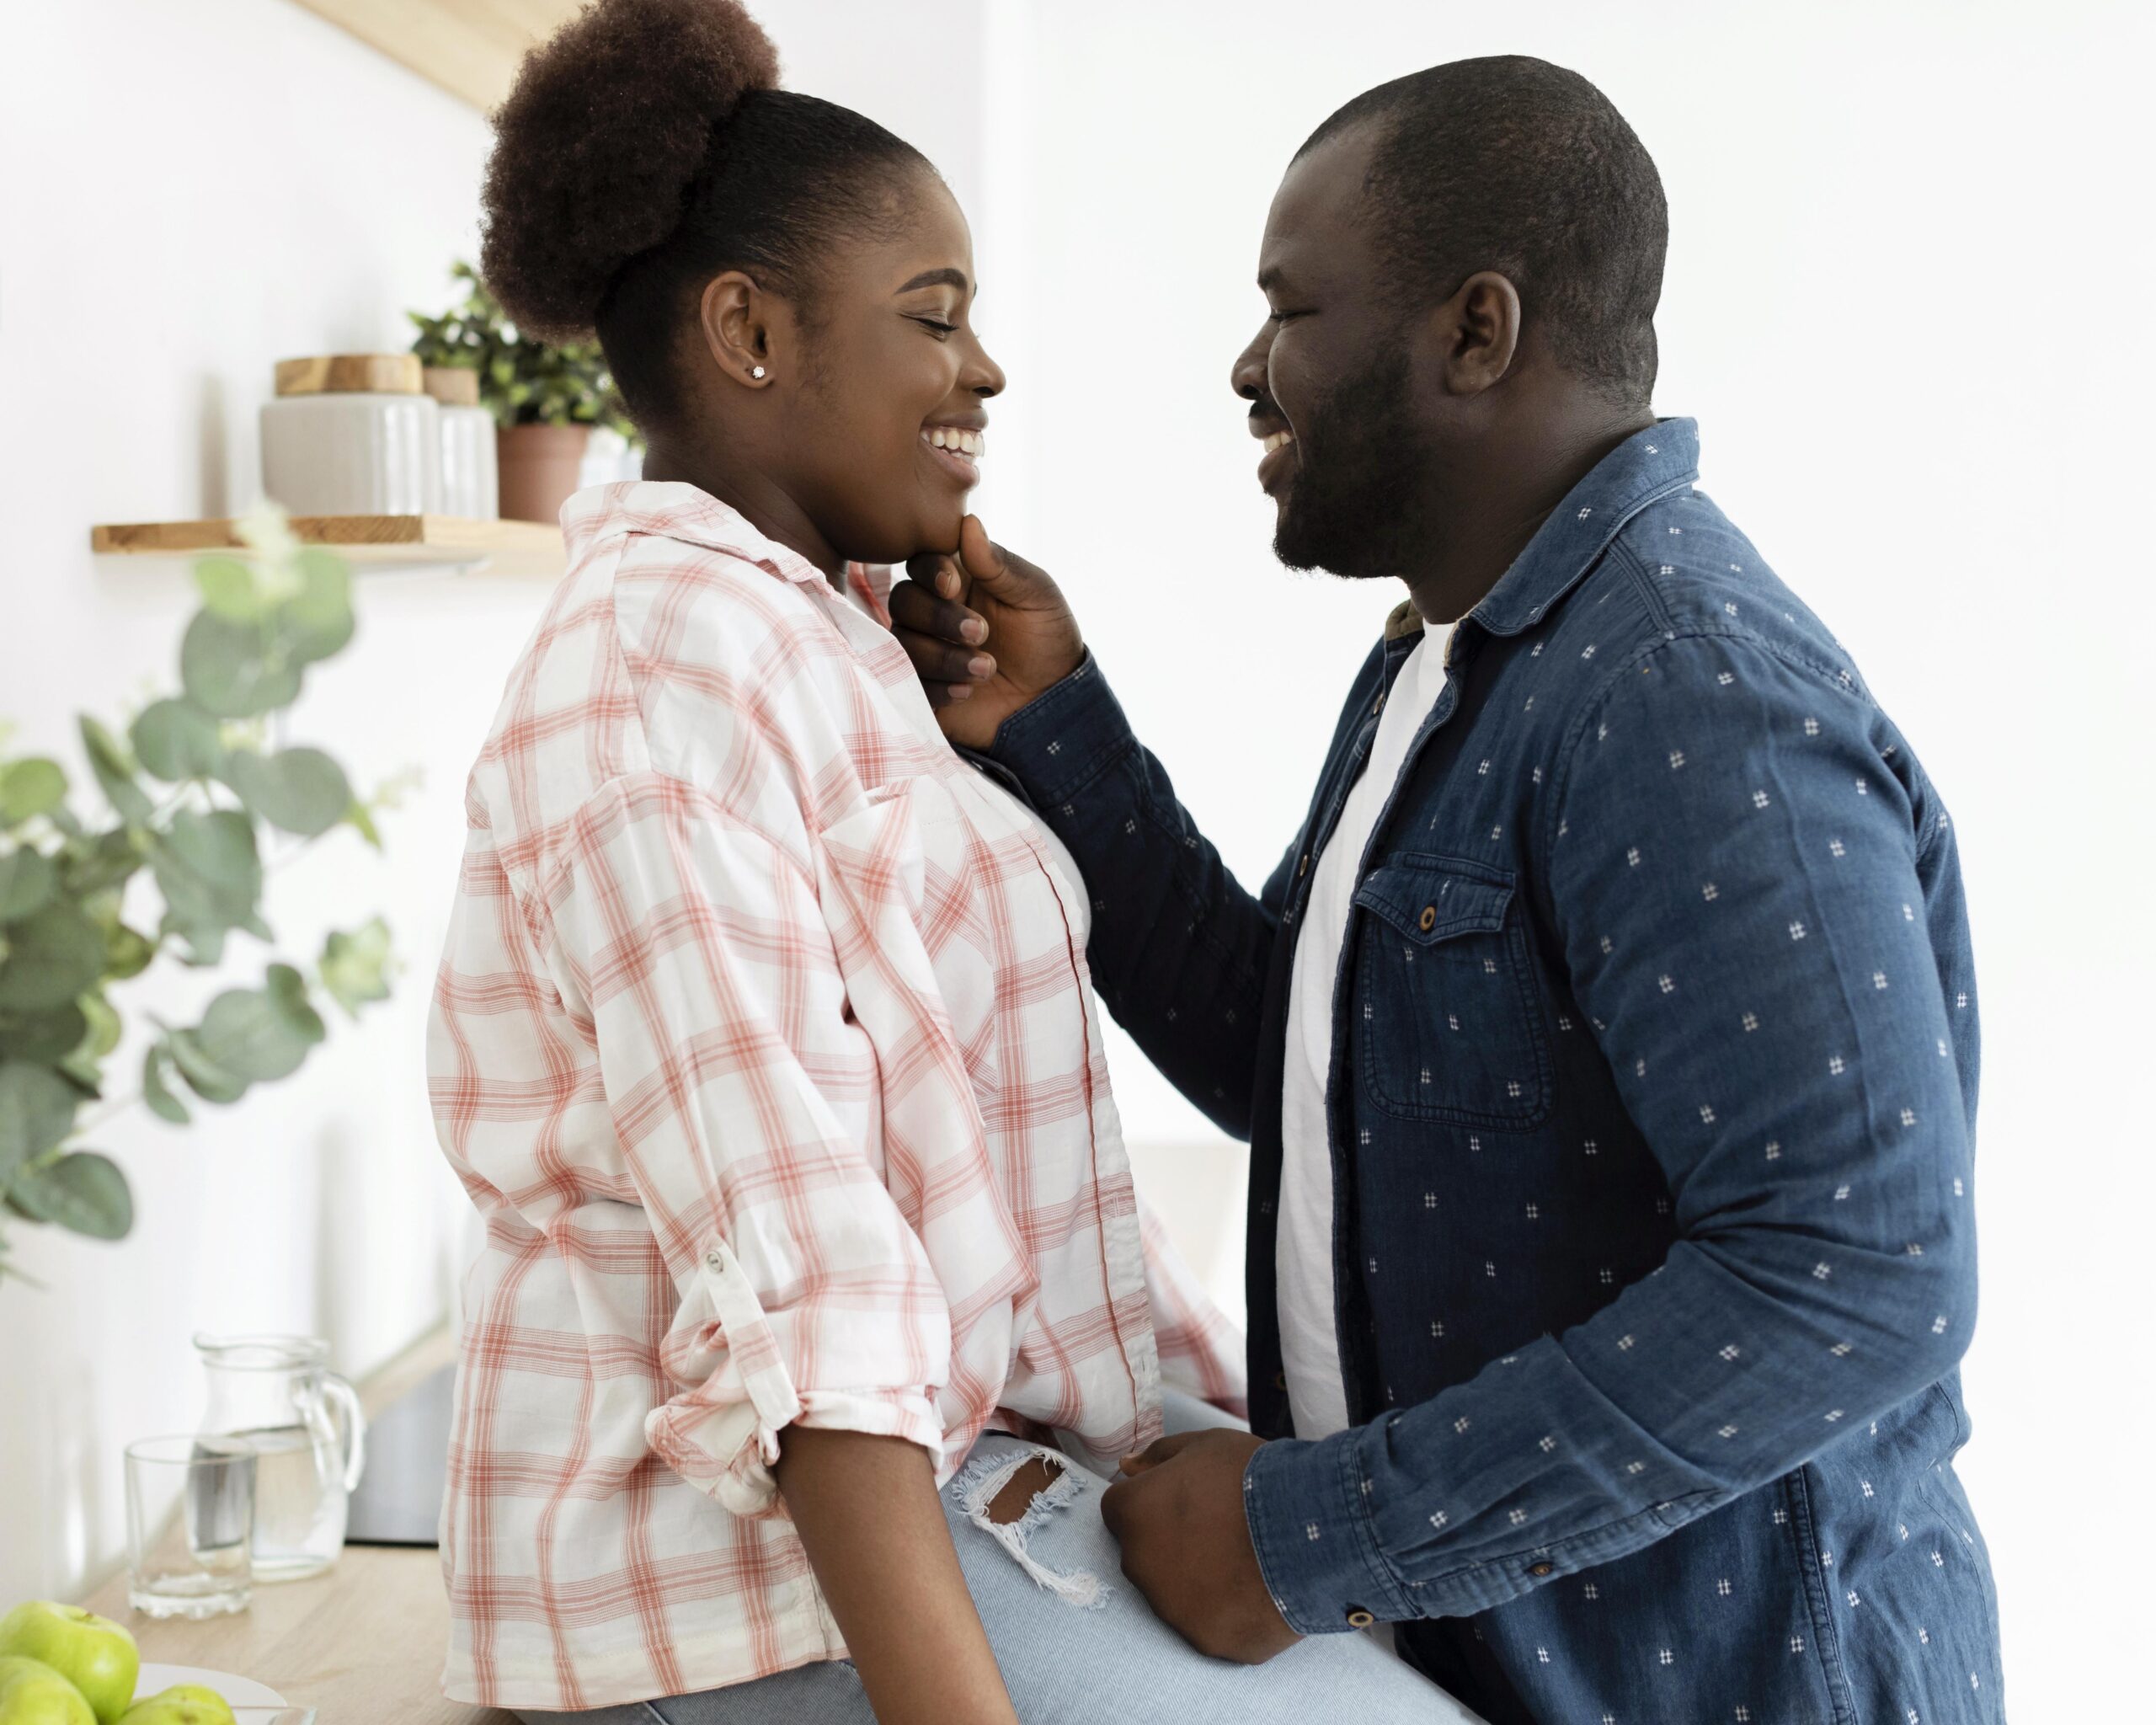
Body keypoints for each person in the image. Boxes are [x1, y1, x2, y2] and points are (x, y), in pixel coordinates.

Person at [892, 56, 2003, 1725]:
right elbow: (1307, 1070)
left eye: (1291, 309)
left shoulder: (1680, 687)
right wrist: (1056, 730)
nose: (1248, 368)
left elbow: (1854, 1280)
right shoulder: (1452, 657)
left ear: (1476, 332)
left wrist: (1305, 1537)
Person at [425, 3, 1470, 1722]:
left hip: (962, 1467)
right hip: (737, 1590)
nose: (982, 370)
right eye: (934, 316)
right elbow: (804, 1282)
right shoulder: (655, 680)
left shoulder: (824, 640)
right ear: (750, 333)